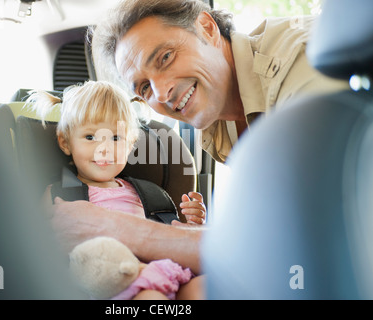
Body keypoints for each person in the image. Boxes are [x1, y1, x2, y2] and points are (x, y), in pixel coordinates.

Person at [51, 0, 348, 277]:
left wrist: (118, 228)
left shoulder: (301, 65)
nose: (163, 93)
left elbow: (303, 245)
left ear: (207, 27)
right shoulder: (218, 123)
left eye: (165, 58)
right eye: (143, 88)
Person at [25, 80, 206, 236]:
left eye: (115, 138)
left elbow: (170, 244)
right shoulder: (58, 196)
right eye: (90, 137)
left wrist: (191, 226)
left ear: (130, 145)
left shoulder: (150, 196)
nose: (104, 149)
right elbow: (37, 246)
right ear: (65, 143)